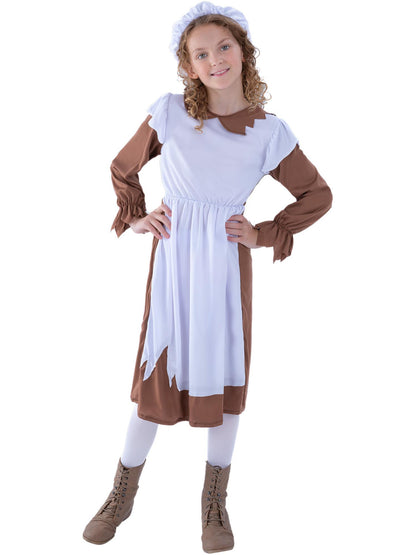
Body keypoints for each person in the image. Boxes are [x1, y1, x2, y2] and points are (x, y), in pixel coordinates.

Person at [82, 2, 333, 552]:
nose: (215, 59)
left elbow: (317, 195)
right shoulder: (170, 113)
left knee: (223, 368)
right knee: (157, 369)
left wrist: (264, 233)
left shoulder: (269, 132)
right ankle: (121, 492)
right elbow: (123, 168)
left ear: (243, 52)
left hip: (223, 265)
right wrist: (137, 216)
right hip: (173, 263)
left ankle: (214, 502)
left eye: (224, 47)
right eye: (201, 54)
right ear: (188, 66)